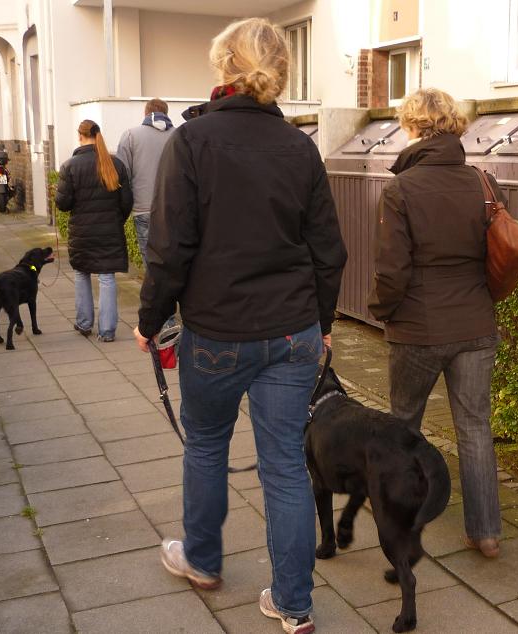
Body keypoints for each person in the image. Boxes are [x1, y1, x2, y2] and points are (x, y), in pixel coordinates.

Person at [133, 17, 347, 634]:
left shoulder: (192, 142)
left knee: (205, 444)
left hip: (218, 333)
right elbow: (328, 251)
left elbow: (170, 249)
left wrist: (150, 321)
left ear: (224, 67)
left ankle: (201, 561)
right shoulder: (299, 148)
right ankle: (293, 604)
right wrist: (323, 323)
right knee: (284, 465)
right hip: (292, 334)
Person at [368, 87, 503, 559]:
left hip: (418, 329)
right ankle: (486, 533)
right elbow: (496, 254)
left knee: (403, 427)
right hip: (476, 324)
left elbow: (393, 269)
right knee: (474, 428)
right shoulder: (482, 181)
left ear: (413, 127)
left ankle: (402, 523)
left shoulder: (401, 188)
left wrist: (380, 310)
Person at [56, 119, 133, 342]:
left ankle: (84, 323)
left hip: (82, 233)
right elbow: (126, 201)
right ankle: (107, 331)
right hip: (110, 231)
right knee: (107, 277)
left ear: (80, 136)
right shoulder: (115, 165)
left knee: (82, 274)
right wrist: (116, 221)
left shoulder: (69, 166)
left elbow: (63, 204)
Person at [115, 98, 175, 268]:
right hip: (173, 208)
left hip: (143, 207)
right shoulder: (179, 135)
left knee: (149, 258)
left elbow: (122, 173)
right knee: (172, 258)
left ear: (145, 113)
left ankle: (154, 292)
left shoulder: (130, 135)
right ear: (166, 113)